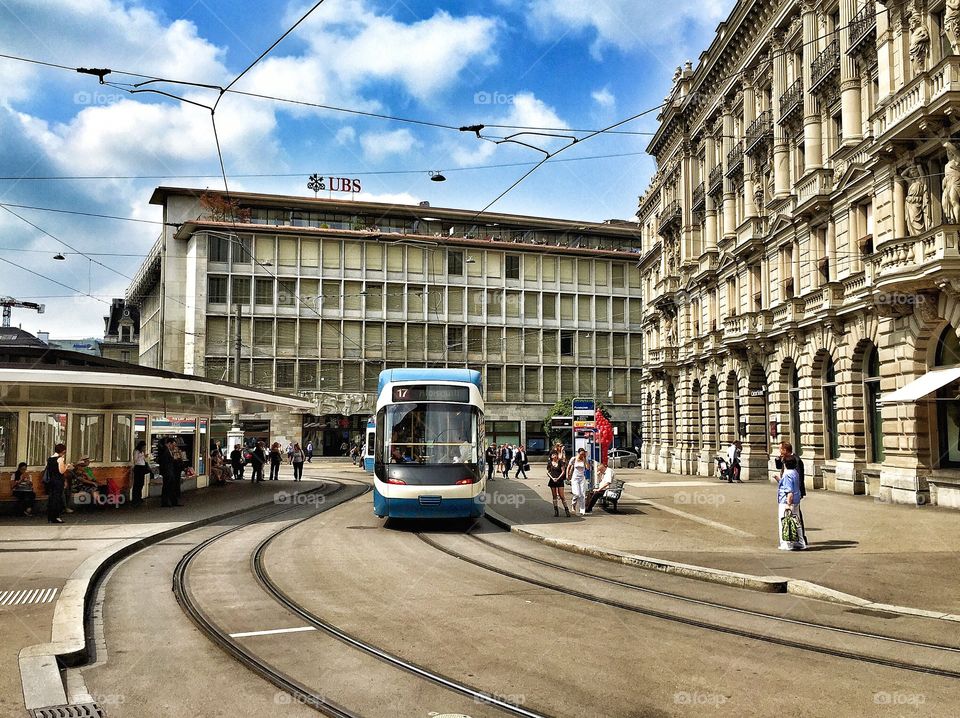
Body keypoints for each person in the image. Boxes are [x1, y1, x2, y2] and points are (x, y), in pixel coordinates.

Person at [776, 441, 807, 544]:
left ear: (785, 450)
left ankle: (798, 538)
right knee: (793, 515)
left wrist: (792, 495)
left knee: (795, 516)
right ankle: (794, 538)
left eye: (780, 449)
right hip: (790, 492)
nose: (779, 451)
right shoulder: (786, 459)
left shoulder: (796, 461)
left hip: (792, 494)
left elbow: (797, 479)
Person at [158, 438, 189, 507]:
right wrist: (173, 459)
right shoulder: (164, 450)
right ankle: (165, 502)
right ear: (169, 444)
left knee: (171, 487)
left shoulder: (169, 451)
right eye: (173, 445)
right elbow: (164, 461)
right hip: (167, 472)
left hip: (171, 471)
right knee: (167, 487)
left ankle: (173, 501)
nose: (174, 447)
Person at [45, 443, 72, 524]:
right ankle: (56, 517)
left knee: (51, 498)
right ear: (63, 451)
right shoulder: (60, 459)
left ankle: (50, 517)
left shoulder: (50, 459)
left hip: (51, 481)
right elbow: (61, 471)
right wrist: (67, 466)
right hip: (58, 480)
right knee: (57, 499)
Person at [566, 447, 591, 516]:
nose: (582, 455)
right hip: (575, 478)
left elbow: (588, 468)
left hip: (582, 478)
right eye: (581, 454)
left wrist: (585, 459)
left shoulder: (584, 459)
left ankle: (582, 509)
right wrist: (567, 475)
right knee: (576, 493)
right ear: (578, 453)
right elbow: (568, 467)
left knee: (582, 494)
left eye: (583, 454)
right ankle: (573, 506)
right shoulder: (573, 459)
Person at [545, 452, 570, 517]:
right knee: (554, 496)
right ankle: (556, 510)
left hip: (560, 480)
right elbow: (548, 472)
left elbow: (563, 471)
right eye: (553, 455)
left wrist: (558, 478)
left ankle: (566, 510)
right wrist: (552, 478)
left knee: (562, 496)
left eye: (555, 454)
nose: (554, 456)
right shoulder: (550, 463)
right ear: (551, 456)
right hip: (552, 480)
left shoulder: (560, 462)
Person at [131, 440, 152, 505]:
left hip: (142, 467)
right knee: (137, 484)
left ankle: (139, 497)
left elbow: (143, 460)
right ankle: (135, 498)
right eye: (143, 447)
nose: (144, 448)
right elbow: (135, 460)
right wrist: (142, 456)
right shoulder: (136, 451)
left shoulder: (142, 452)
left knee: (141, 483)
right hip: (138, 467)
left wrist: (145, 457)